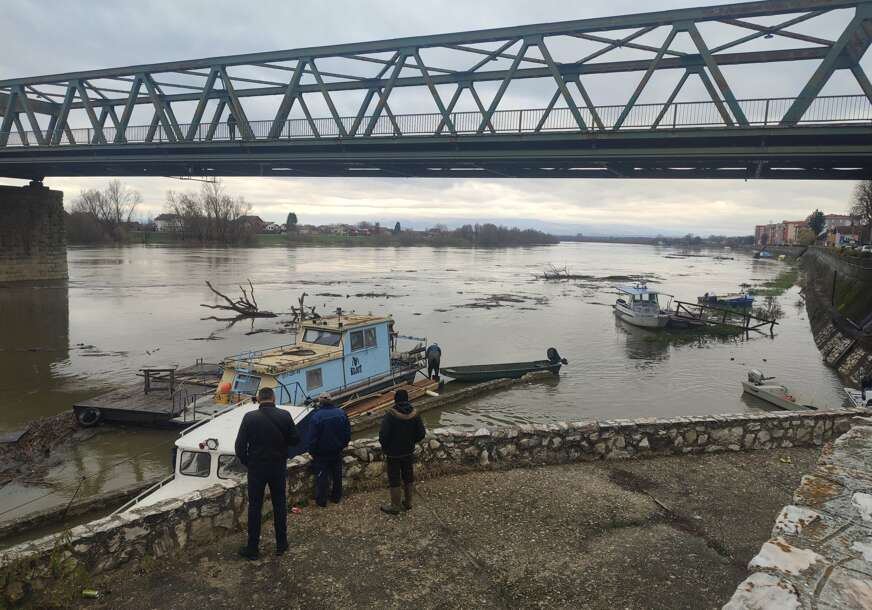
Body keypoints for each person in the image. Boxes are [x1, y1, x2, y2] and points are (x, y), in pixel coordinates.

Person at [234, 387, 300, 560]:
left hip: (257, 468)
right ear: (273, 398)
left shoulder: (249, 418)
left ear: (258, 399)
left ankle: (252, 548)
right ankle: (281, 544)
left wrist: (249, 462)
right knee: (279, 504)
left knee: (255, 507)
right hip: (277, 466)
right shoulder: (284, 415)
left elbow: (239, 447)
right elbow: (295, 440)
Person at [379, 389, 426, 515]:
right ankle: (408, 502)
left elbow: (383, 436)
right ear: (407, 399)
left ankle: (395, 506)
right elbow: (421, 434)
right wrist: (412, 441)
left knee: (394, 478)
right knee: (408, 476)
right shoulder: (415, 413)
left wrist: (386, 447)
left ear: (395, 400)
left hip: (393, 453)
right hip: (408, 451)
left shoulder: (390, 415)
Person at [307, 397, 351, 507]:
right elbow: (347, 432)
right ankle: (336, 497)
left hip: (321, 454)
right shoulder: (341, 413)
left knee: (321, 477)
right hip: (337, 451)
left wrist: (312, 452)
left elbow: (312, 438)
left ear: (320, 403)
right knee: (337, 475)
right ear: (331, 401)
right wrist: (343, 445)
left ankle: (322, 501)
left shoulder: (316, 417)